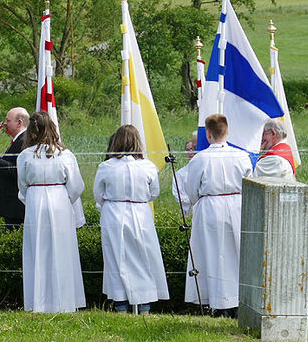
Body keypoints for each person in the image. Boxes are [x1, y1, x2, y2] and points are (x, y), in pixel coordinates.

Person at [93, 125, 169, 313]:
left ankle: (121, 304)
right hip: (140, 212)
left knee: (116, 258)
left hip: (114, 212)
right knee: (143, 257)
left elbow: (98, 194)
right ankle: (144, 305)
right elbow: (154, 193)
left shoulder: (106, 166)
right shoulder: (148, 166)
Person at [17, 110, 86, 313]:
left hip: (35, 200)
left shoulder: (25, 156)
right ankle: (64, 301)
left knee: (37, 250)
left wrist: (34, 197)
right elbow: (76, 186)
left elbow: (22, 187)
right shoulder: (65, 155)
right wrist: (63, 198)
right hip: (59, 201)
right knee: (62, 249)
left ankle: (38, 301)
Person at [184, 113, 253, 317]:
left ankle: (222, 302)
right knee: (233, 254)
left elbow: (191, 190)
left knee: (214, 255)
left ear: (208, 134)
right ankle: (228, 302)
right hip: (236, 205)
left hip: (211, 207)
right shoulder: (241, 156)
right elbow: (250, 182)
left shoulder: (200, 158)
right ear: (227, 130)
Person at [0, 107, 29, 227]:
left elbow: (19, 170)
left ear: (19, 123)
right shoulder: (18, 139)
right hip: (11, 205)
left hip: (17, 206)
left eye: (8, 121)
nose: (4, 124)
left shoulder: (25, 141)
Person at [170, 135, 197, 217]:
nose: (190, 152)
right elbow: (177, 194)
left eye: (192, 149)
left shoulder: (204, 170)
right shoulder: (180, 174)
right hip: (186, 213)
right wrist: (191, 200)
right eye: (188, 150)